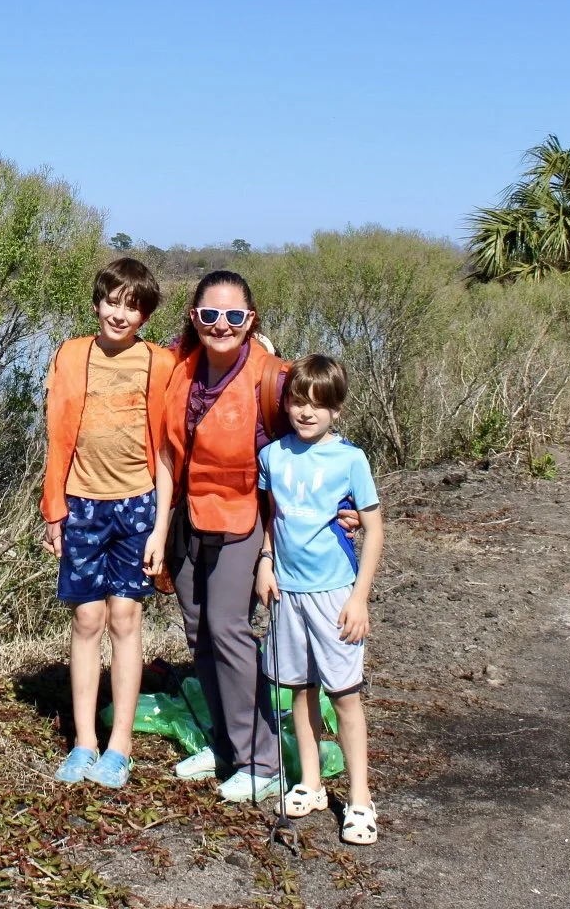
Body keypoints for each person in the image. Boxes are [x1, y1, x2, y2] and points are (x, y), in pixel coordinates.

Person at [41, 256, 176, 789]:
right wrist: (54, 508)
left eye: (133, 306)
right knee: (86, 621)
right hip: (82, 506)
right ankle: (83, 742)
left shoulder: (159, 364)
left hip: (137, 505)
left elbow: (168, 450)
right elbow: (54, 437)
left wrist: (161, 527)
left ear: (145, 315)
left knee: (125, 618)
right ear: (98, 302)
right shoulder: (72, 355)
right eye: (113, 301)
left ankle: (119, 745)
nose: (120, 314)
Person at [163, 269, 291, 802]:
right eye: (210, 315)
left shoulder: (274, 381)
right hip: (189, 518)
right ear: (194, 318)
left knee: (228, 629)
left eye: (234, 316)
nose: (222, 325)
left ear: (251, 320)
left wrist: (269, 553)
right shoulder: (178, 369)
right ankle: (227, 746)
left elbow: (308, 455)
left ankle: (264, 760)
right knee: (198, 631)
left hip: (245, 521)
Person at [254, 353, 385, 845]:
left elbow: (373, 529)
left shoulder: (351, 459)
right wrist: (265, 563)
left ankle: (359, 799)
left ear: (337, 409)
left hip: (335, 595)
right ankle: (310, 783)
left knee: (345, 697)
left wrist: (359, 598)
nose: (306, 412)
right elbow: (272, 519)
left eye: (318, 404)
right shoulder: (273, 456)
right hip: (287, 594)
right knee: (300, 691)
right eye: (297, 401)